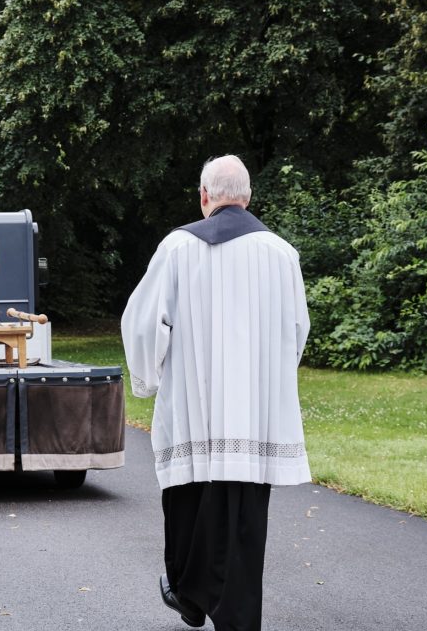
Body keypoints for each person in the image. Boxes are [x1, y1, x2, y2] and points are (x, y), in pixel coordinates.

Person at [121, 155, 311, 631]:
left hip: (193, 406)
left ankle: (188, 593)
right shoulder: (282, 254)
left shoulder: (177, 248)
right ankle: (235, 617)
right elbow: (297, 331)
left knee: (187, 499)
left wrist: (148, 379)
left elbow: (143, 323)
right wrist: (272, 379)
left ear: (205, 197)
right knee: (244, 519)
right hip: (252, 412)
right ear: (247, 198)